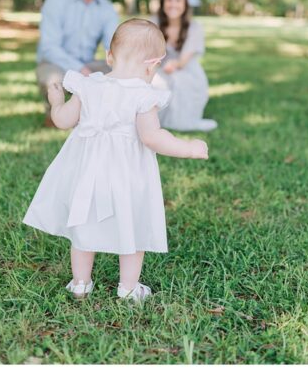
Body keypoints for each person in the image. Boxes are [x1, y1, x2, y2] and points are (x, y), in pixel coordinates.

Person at [23, 19, 209, 302]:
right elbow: (153, 137)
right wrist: (188, 147)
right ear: (152, 65)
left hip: (87, 175)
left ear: (109, 57)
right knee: (132, 225)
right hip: (127, 177)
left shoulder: (88, 86)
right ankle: (128, 288)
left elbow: (62, 121)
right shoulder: (145, 96)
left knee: (82, 226)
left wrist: (55, 101)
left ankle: (80, 283)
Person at [36, 0, 121, 126]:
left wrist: (122, 66)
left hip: (89, 64)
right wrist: (80, 69)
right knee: (52, 81)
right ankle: (56, 112)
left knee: (121, 75)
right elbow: (49, 47)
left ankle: (98, 115)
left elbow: (113, 46)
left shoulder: (107, 9)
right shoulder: (56, 0)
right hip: (55, 63)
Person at [151, 0, 217, 131]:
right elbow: (149, 53)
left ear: (185, 4)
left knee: (177, 81)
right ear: (163, 3)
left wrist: (172, 65)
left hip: (185, 70)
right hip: (158, 67)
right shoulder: (154, 23)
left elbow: (182, 61)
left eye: (178, 0)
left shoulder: (194, 27)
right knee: (153, 81)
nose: (173, 4)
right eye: (169, 0)